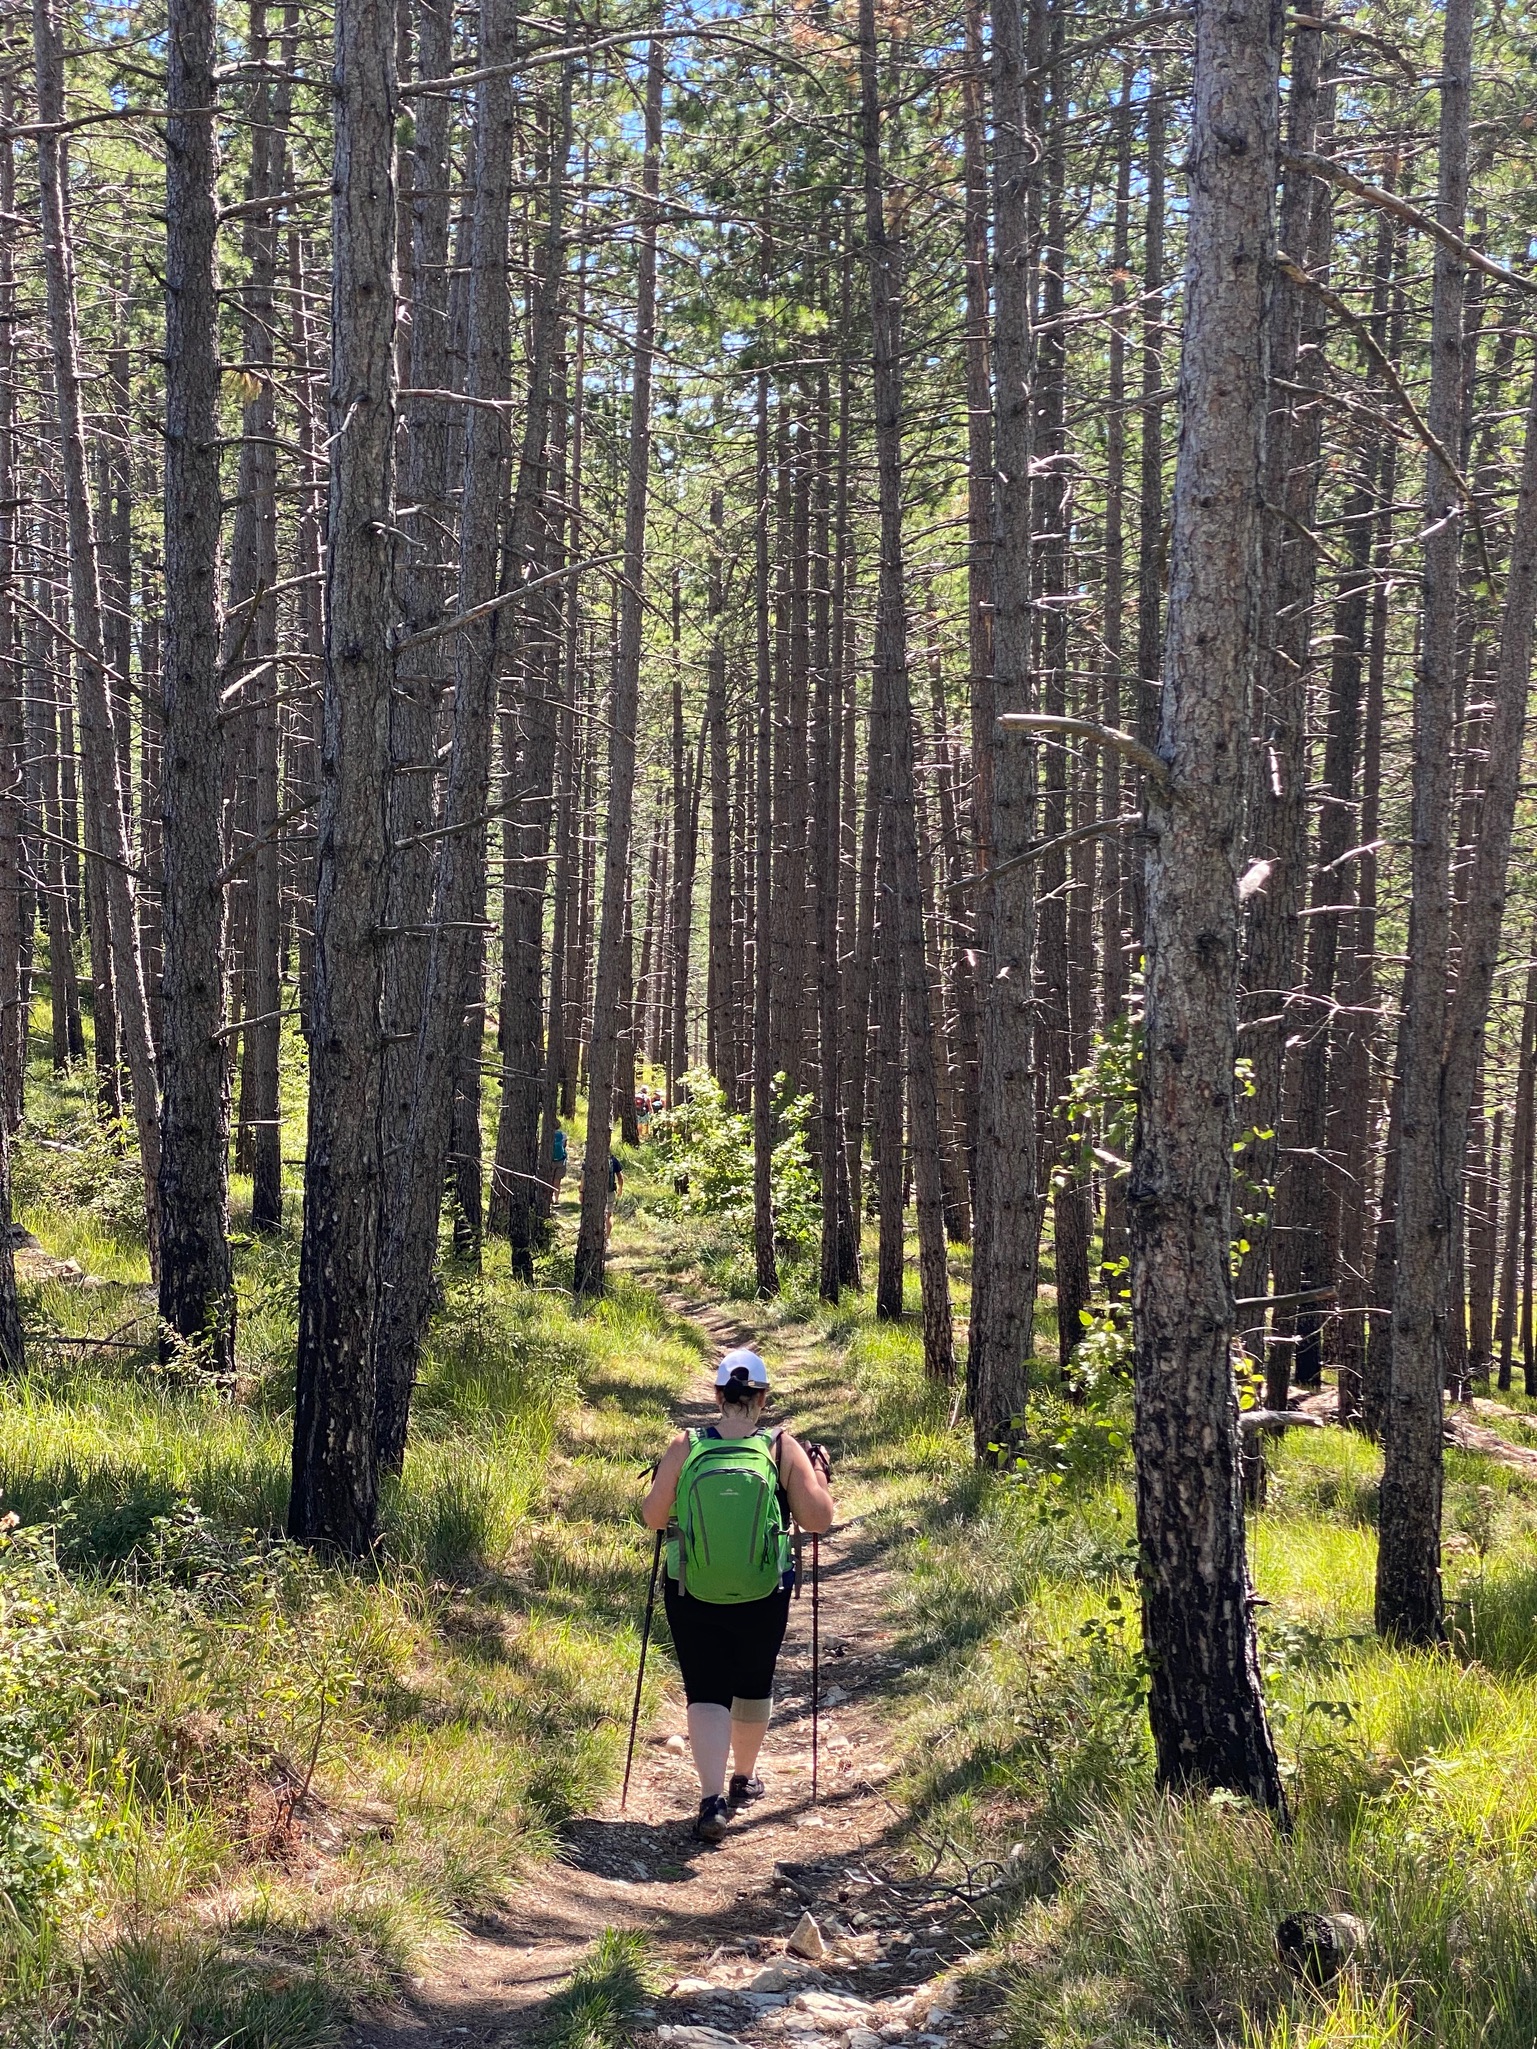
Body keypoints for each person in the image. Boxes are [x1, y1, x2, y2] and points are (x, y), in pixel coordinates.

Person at [641, 1349, 834, 1843]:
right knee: (752, 1681)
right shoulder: (779, 1447)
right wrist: (820, 1477)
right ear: (763, 1398)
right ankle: (743, 1780)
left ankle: (711, 1802)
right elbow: (817, 1521)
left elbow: (655, 1519)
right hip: (762, 1589)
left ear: (717, 1396)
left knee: (706, 1689)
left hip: (691, 1587)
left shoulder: (687, 1445)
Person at [550, 1124, 568, 1202]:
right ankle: (556, 1199)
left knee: (549, 1179)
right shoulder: (563, 1135)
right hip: (561, 1160)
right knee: (557, 1181)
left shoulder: (548, 1134)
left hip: (550, 1160)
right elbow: (564, 1146)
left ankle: (549, 1198)